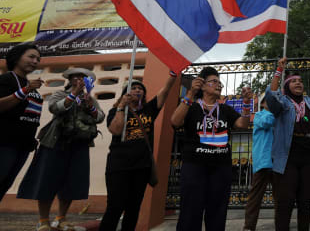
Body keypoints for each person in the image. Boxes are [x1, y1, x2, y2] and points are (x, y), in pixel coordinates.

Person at [18, 67, 105, 231]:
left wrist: (89, 105)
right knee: (47, 180)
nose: (79, 79)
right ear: (70, 80)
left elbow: (100, 117)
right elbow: (55, 108)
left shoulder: (90, 99)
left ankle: (61, 218)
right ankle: (43, 220)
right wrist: (73, 95)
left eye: (83, 78)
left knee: (71, 183)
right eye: (76, 77)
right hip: (55, 142)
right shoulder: (60, 94)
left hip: (79, 144)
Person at [171, 66, 251, 231]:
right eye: (214, 81)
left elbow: (242, 124)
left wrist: (246, 104)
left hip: (221, 168)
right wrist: (190, 94)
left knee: (217, 213)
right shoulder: (191, 107)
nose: (219, 85)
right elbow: (175, 121)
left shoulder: (225, 109)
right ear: (202, 85)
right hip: (194, 167)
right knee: (190, 212)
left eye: (219, 82)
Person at [265, 57, 310, 231]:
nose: (298, 83)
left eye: (300, 81)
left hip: (309, 159)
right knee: (286, 202)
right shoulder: (283, 102)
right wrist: (278, 71)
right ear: (286, 86)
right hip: (288, 159)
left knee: (305, 202)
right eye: (294, 81)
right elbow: (271, 96)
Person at [99, 71, 177, 231]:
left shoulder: (149, 110)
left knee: (133, 208)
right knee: (115, 206)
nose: (137, 90)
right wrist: (121, 106)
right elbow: (115, 130)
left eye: (140, 88)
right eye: (133, 88)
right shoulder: (115, 112)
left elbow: (165, 91)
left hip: (141, 166)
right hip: (118, 166)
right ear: (125, 93)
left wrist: (173, 75)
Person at [0, 44, 43, 203]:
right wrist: (25, 90)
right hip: (4, 143)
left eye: (38, 59)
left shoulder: (30, 85)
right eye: (31, 57)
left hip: (23, 146)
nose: (35, 61)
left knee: (4, 185)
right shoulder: (7, 79)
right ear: (17, 57)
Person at [243, 97, 275, 231]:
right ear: (262, 103)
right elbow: (267, 122)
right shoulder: (259, 116)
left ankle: (281, 224)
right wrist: (277, 113)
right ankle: (249, 226)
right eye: (269, 100)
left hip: (277, 161)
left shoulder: (279, 116)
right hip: (263, 162)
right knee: (255, 197)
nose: (272, 102)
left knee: (281, 197)